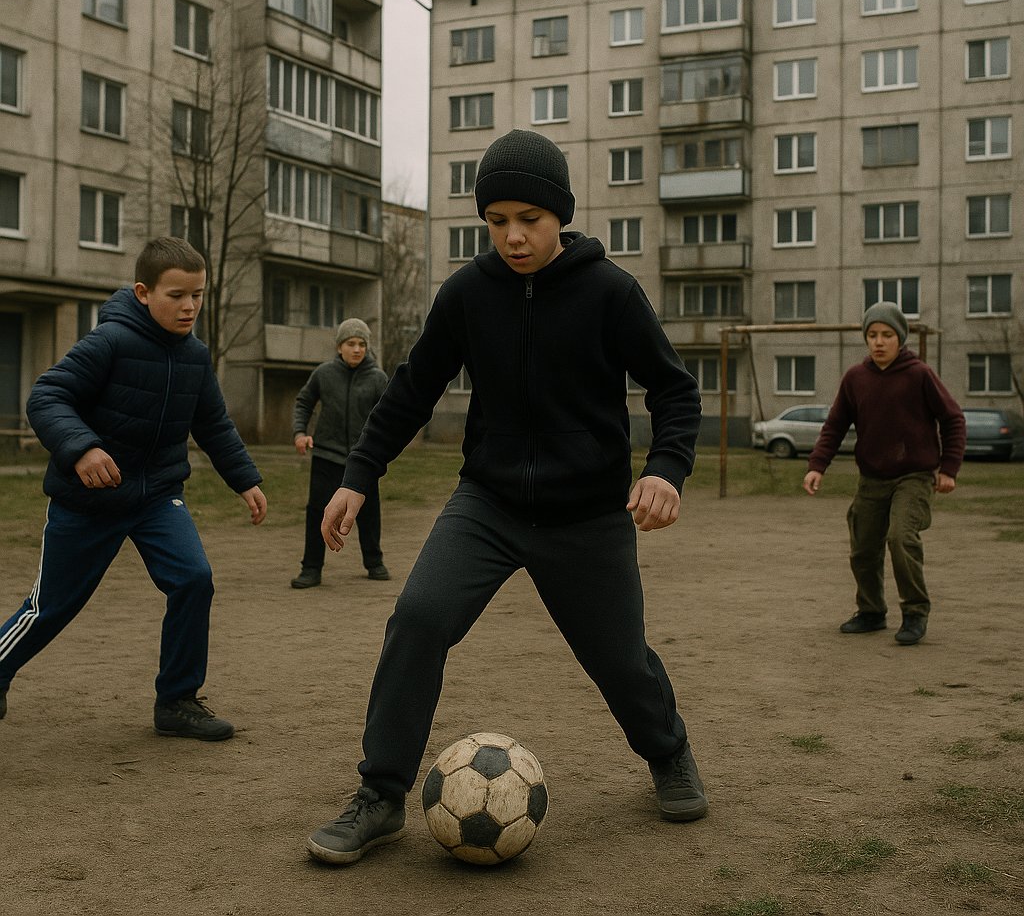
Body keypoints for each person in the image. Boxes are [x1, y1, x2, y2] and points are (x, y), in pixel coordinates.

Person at [304, 128, 706, 867]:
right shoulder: (466, 295)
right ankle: (381, 795)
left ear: (560, 215)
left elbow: (675, 390)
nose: (513, 237)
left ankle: (669, 751)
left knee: (620, 661)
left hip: (586, 515)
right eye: (496, 221)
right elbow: (410, 394)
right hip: (486, 506)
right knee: (418, 618)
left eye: (529, 219)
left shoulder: (610, 292)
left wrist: (665, 469)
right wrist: (358, 476)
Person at [0, 237, 267, 739]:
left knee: (193, 578)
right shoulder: (110, 342)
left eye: (198, 295)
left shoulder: (194, 357)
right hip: (88, 501)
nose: (189, 306)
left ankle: (177, 702)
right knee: (52, 605)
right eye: (176, 295)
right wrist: (81, 448)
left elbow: (213, 425)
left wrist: (245, 479)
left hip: (156, 497)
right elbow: (48, 395)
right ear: (143, 292)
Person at [803, 302, 965, 646]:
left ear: (900, 338)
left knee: (901, 538)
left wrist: (948, 468)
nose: (879, 342)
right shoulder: (855, 378)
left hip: (914, 476)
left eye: (887, 335)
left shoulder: (919, 374)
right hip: (872, 479)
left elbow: (953, 419)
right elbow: (835, 425)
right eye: (873, 335)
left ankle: (915, 613)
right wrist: (818, 465)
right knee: (863, 548)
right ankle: (872, 611)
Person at [290, 318, 390, 588]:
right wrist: (300, 433)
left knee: (369, 512)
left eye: (361, 344)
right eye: (350, 343)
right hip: (326, 455)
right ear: (339, 347)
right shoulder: (323, 374)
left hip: (363, 460)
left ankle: (374, 562)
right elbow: (303, 402)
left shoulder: (378, 378)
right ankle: (311, 568)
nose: (357, 349)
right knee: (317, 512)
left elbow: (389, 417)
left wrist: (381, 451)